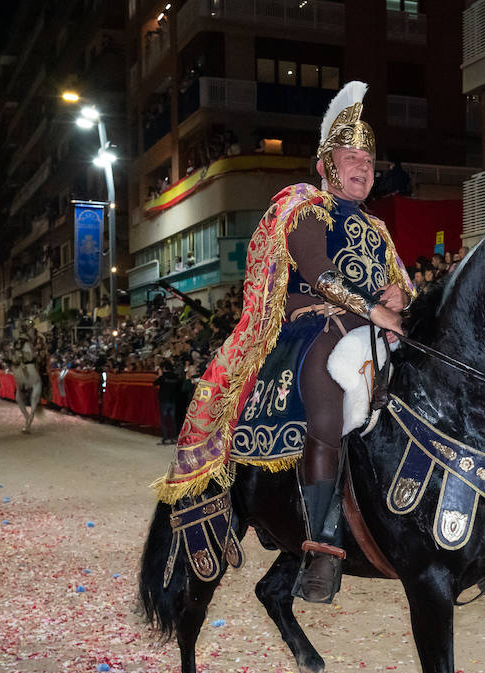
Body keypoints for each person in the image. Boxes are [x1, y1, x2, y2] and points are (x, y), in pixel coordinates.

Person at [155, 81, 409, 604]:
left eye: (369, 159)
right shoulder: (304, 209)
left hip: (373, 327)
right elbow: (316, 274)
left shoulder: (379, 228)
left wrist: (398, 295)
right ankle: (320, 544)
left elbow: (403, 281)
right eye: (350, 157)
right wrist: (372, 307)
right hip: (312, 325)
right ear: (326, 165)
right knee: (327, 389)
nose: (362, 167)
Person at [155, 359, 184, 444]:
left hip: (164, 400)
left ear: (163, 368)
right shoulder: (175, 376)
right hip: (173, 400)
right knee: (173, 420)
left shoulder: (163, 377)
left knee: (164, 420)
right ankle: (174, 437)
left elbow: (155, 383)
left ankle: (166, 437)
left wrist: (160, 375)